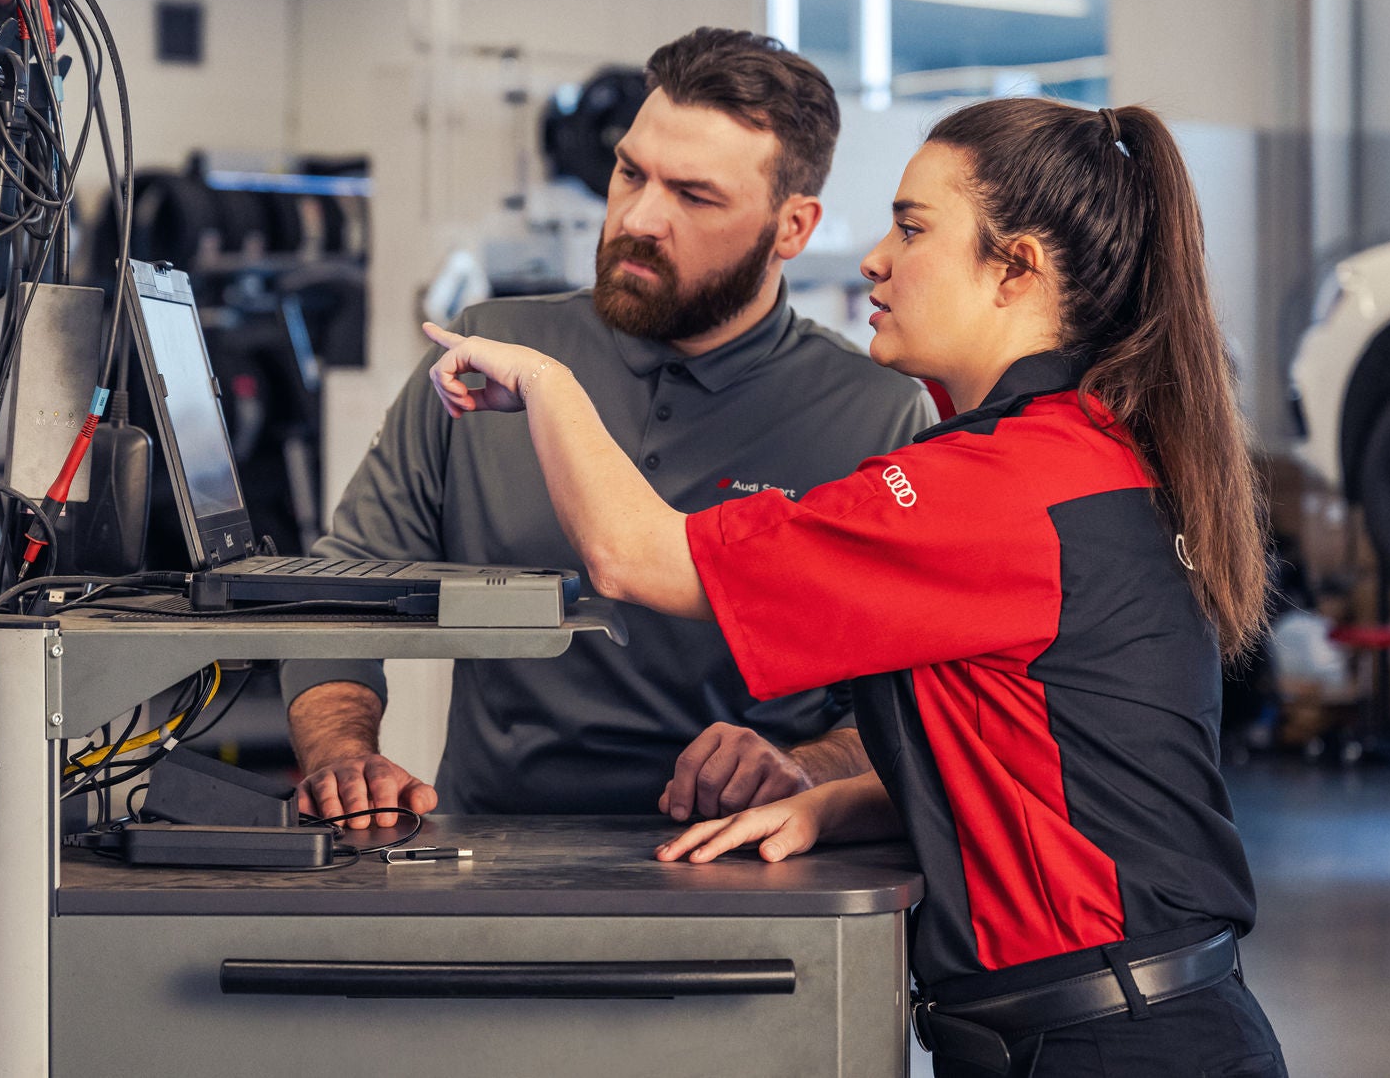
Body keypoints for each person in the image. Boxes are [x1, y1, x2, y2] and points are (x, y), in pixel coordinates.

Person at [421, 98, 1287, 1078]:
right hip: (1125, 1025)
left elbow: (634, 555)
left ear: (1017, 268)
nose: (874, 258)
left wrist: (546, 379)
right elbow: (1057, 767)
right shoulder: (1079, 454)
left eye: (911, 228)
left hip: (1108, 1045)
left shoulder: (994, 488)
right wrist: (838, 804)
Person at [281, 27, 936, 827]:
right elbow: (336, 592)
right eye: (631, 172)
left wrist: (803, 763)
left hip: (745, 866)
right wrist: (344, 754)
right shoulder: (487, 352)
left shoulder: (876, 410)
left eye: (694, 196)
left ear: (792, 228)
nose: (639, 217)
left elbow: (910, 697)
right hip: (493, 853)